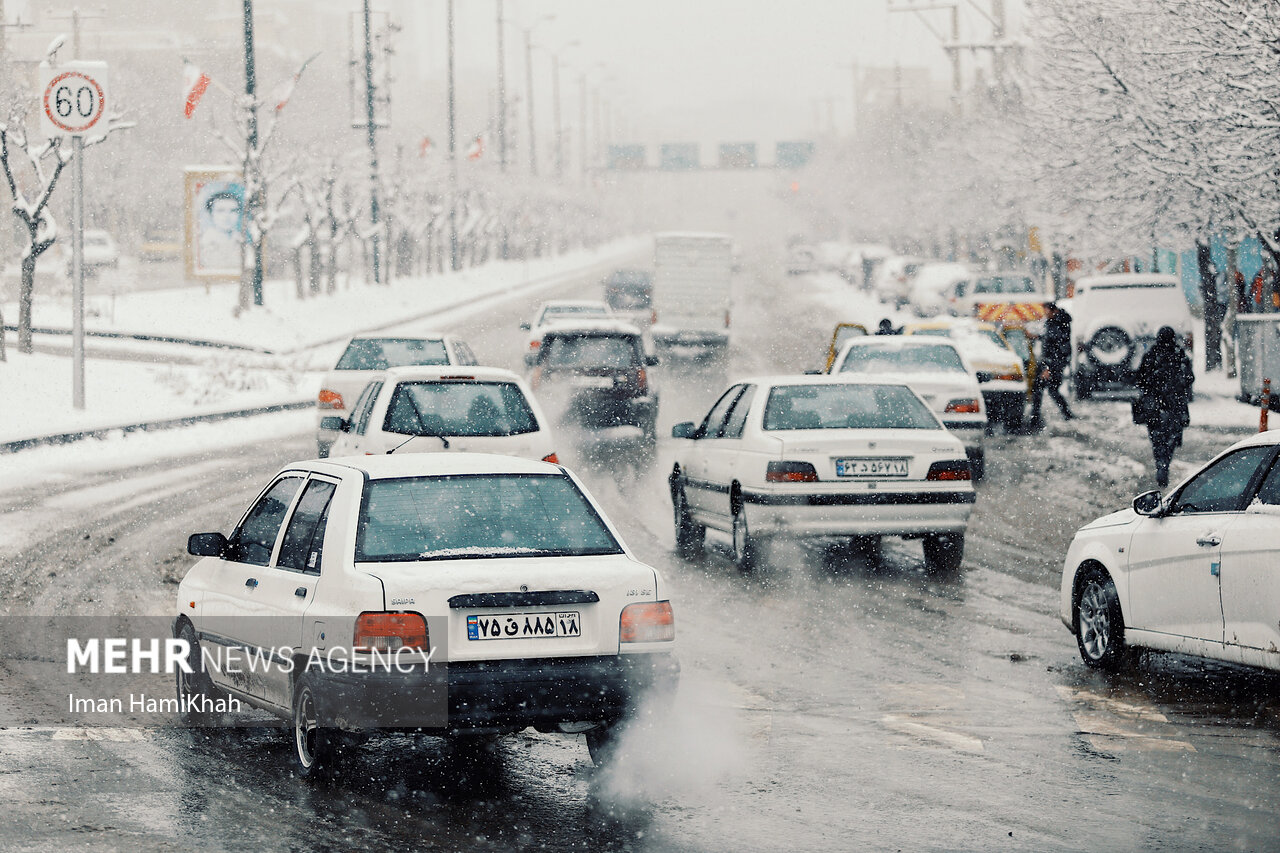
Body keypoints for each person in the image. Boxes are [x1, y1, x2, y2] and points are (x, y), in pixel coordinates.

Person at [1135, 326, 1195, 488]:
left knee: (1156, 439)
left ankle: (1160, 463)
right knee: (1171, 438)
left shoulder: (1150, 356)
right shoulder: (1180, 356)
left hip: (1154, 406)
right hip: (1175, 406)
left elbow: (1140, 379)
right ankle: (1165, 463)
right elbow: (1189, 378)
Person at [1029, 301, 1074, 428]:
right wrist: (1037, 337)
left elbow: (1057, 346)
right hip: (1050, 362)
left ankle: (1036, 418)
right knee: (1046, 389)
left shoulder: (1059, 323)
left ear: (1053, 310)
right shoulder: (1055, 322)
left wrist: (1048, 368)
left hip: (1052, 364)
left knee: (1046, 389)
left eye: (1046, 311)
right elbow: (1050, 339)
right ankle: (1065, 414)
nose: (1045, 314)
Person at [198, 187, 245, 273]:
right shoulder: (202, 244)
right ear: (210, 214)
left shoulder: (244, 243)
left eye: (233, 210)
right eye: (221, 210)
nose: (227, 216)